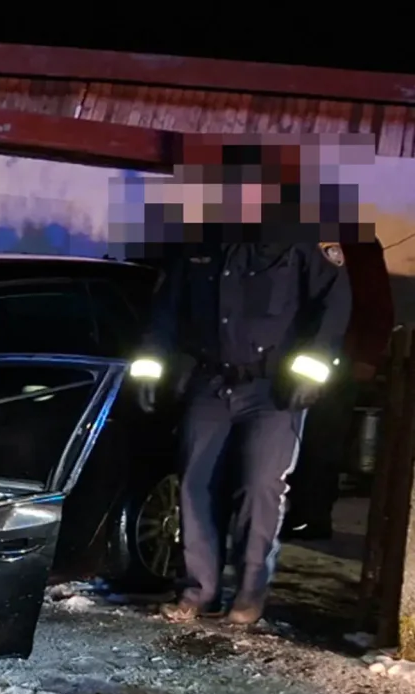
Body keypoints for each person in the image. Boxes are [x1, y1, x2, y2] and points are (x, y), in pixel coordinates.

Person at [130, 150, 353, 625]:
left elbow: (332, 312)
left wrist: (310, 374)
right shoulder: (201, 242)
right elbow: (166, 315)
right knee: (195, 485)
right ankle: (197, 592)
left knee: (259, 489)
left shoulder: (303, 239)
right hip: (211, 382)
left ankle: (248, 598)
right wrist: (152, 369)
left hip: (274, 390)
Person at [282, 240, 393, 540]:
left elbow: (376, 305)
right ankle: (295, 512)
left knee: (321, 439)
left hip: (337, 357)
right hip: (288, 355)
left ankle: (311, 515)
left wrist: (366, 357)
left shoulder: (356, 243)